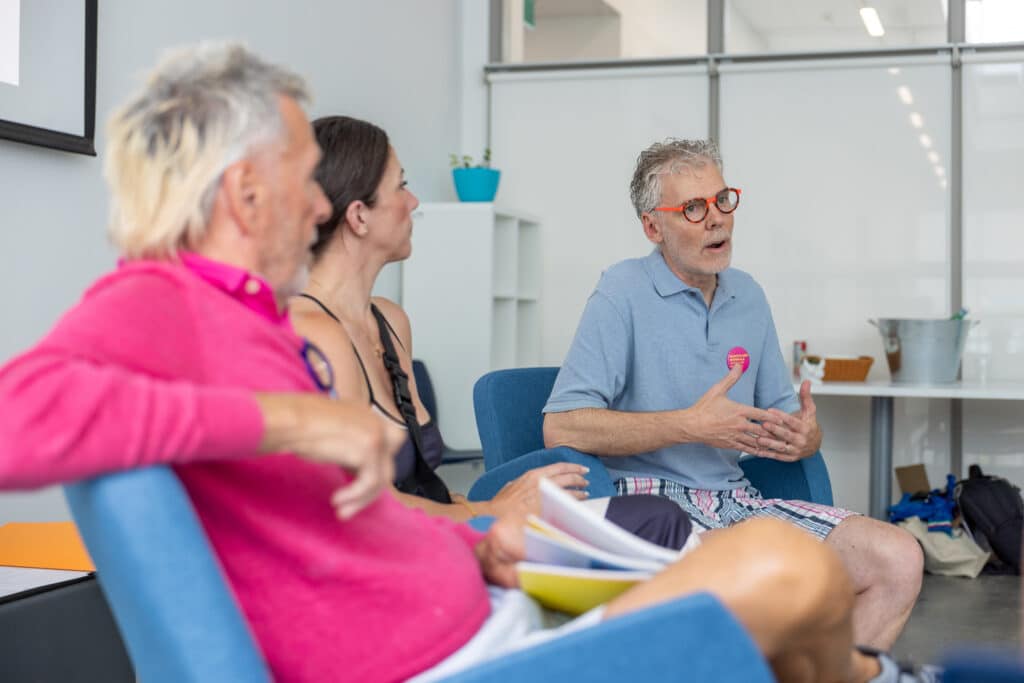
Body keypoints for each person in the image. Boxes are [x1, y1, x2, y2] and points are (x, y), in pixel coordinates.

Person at [0, 43, 934, 683]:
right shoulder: (164, 301)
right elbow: (16, 416)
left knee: (796, 587)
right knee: (786, 574)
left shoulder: (256, 323)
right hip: (440, 660)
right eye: (301, 173)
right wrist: (296, 417)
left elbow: (345, 522)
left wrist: (477, 537)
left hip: (482, 610)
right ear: (246, 189)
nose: (320, 206)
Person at [542, 138, 925, 650]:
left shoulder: (748, 294)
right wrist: (687, 425)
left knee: (899, 559)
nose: (717, 219)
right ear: (653, 227)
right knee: (762, 579)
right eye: (693, 208)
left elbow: (787, 422)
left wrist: (805, 437)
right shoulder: (621, 291)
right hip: (650, 504)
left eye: (722, 200)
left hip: (737, 501)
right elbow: (561, 426)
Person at [289, 115, 692, 549]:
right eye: (401, 186)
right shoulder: (313, 335)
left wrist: (490, 504)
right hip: (404, 547)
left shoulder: (389, 321)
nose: (414, 201)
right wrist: (490, 511)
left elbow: (422, 485)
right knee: (652, 526)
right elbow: (364, 508)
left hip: (451, 522)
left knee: (658, 517)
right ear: (358, 216)